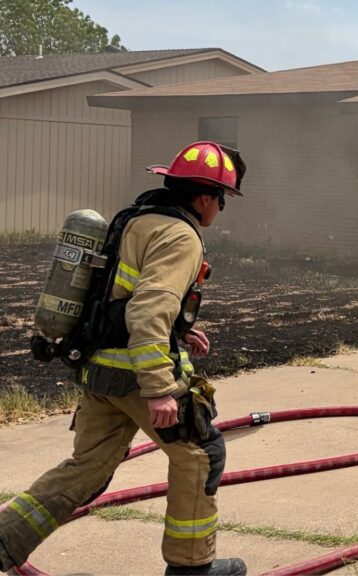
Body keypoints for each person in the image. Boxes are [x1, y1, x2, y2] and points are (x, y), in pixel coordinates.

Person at [0, 141, 248, 576]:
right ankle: (192, 568)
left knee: (86, 470)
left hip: (99, 372)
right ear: (206, 197)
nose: (219, 211)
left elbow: (116, 297)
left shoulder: (134, 220)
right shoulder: (181, 235)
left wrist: (181, 329)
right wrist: (159, 388)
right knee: (201, 453)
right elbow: (148, 308)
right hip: (137, 378)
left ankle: (1, 542)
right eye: (222, 201)